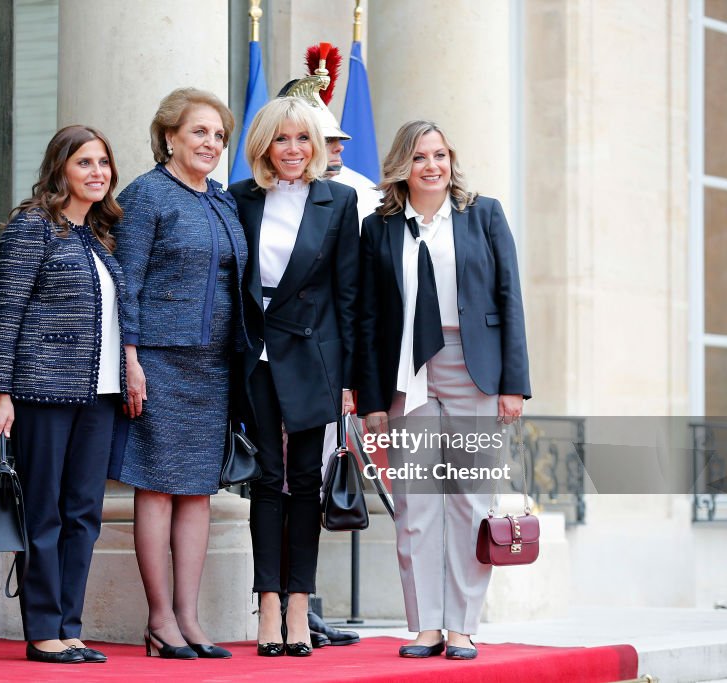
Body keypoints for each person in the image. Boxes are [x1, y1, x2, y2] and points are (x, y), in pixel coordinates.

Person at [355, 120, 531, 660]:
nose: (432, 166)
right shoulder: (379, 228)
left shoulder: (485, 214)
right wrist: (371, 399)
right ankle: (427, 624)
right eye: (419, 158)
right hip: (408, 374)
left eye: (440, 155)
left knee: (470, 502)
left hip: (473, 367)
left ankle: (462, 626)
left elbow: (509, 297)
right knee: (417, 506)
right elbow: (367, 318)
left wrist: (513, 385)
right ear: (401, 168)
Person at [0, 124, 125, 665]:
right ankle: (43, 629)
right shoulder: (33, 228)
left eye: (104, 163)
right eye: (85, 162)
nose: (97, 173)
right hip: (41, 392)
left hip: (99, 395)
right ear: (60, 168)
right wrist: (1, 391)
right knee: (43, 513)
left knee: (84, 513)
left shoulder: (100, 235)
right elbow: (7, 314)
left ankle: (70, 625)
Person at [113, 87, 246, 660]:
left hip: (214, 364)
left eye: (218, 135)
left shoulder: (223, 200)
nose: (211, 143)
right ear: (169, 136)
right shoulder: (145, 195)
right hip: (161, 362)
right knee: (159, 488)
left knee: (198, 492)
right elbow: (126, 281)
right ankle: (159, 618)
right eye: (199, 132)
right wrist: (131, 358)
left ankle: (190, 620)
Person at [229, 97, 359, 658]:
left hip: (314, 355)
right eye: (281, 140)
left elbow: (349, 295)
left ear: (316, 147)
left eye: (302, 139)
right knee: (264, 477)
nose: (292, 150)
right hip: (258, 354)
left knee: (305, 479)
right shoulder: (239, 200)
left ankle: (299, 604)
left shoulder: (340, 201)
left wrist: (352, 379)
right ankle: (266, 605)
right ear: (264, 146)